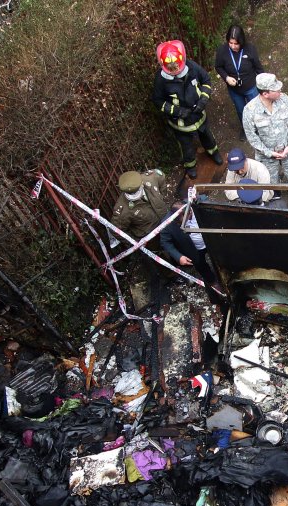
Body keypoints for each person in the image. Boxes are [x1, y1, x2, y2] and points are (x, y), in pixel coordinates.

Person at [150, 40, 222, 180]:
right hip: (180, 124)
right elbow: (158, 101)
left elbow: (206, 80)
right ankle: (190, 166)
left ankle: (214, 153)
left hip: (199, 115)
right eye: (171, 69)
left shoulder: (192, 67)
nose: (175, 70)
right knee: (186, 147)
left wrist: (203, 100)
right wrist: (178, 112)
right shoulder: (160, 79)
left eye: (177, 67)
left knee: (208, 137)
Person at [242, 73, 288, 205]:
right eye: (276, 89)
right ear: (265, 94)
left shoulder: (284, 99)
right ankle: (275, 192)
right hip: (266, 155)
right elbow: (252, 138)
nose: (280, 90)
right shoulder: (250, 110)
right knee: (270, 179)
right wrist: (270, 153)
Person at [110, 169, 166, 308]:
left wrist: (162, 196)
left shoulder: (151, 179)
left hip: (165, 221)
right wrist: (135, 242)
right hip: (149, 237)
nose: (135, 195)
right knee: (161, 257)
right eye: (131, 194)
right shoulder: (122, 211)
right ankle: (170, 275)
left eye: (136, 192)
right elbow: (117, 231)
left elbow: (162, 178)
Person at [159, 203, 221, 296]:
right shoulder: (167, 224)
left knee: (219, 259)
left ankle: (224, 273)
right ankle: (212, 281)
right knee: (201, 265)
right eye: (179, 223)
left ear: (189, 212)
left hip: (211, 242)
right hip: (193, 249)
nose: (180, 224)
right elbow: (165, 243)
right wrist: (178, 256)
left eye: (182, 221)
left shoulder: (198, 207)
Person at [214, 25, 264, 138]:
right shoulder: (222, 51)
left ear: (241, 41)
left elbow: (258, 68)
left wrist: (264, 85)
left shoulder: (250, 49)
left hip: (251, 87)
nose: (232, 46)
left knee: (256, 110)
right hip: (235, 90)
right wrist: (226, 77)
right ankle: (246, 129)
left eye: (236, 44)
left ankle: (259, 128)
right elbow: (218, 67)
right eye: (230, 43)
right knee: (241, 111)